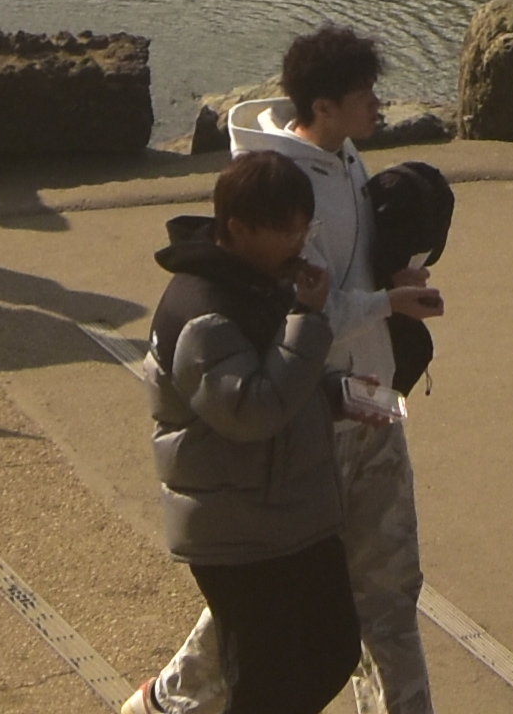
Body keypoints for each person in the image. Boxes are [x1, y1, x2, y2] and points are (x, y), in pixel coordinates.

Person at [145, 26, 449, 714]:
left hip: (367, 398)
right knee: (336, 599)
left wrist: (389, 278)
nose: (379, 103)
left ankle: (169, 701)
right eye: (365, 92)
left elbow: (340, 280)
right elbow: (300, 307)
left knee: (379, 592)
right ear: (324, 105)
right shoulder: (283, 198)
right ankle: (173, 699)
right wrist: (386, 301)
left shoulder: (345, 159)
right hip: (315, 415)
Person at [150, 147, 363, 714]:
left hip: (291, 512)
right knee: (270, 684)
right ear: (238, 229)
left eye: (305, 227)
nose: (299, 242)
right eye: (286, 231)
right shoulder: (202, 312)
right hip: (238, 531)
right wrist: (309, 320)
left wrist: (339, 395)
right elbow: (253, 411)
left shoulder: (259, 281)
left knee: (335, 649)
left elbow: (284, 380)